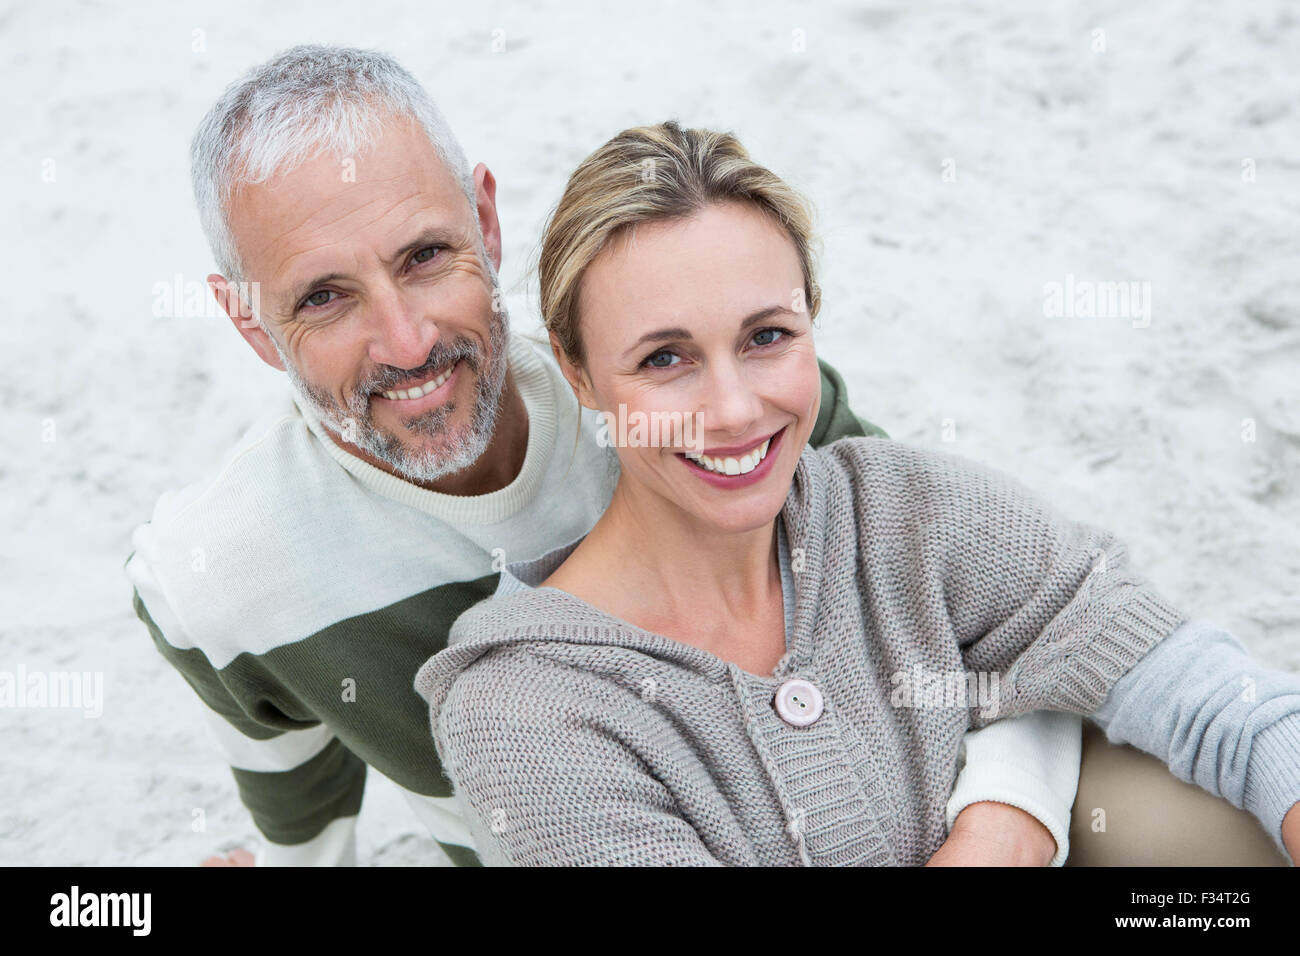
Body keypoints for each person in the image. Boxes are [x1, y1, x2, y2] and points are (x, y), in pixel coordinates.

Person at [125, 45, 1077, 866]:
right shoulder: (214, 573)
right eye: (325, 297)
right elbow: (284, 752)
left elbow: (995, 614)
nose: (407, 342)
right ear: (248, 320)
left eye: (424, 256)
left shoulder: (709, 409)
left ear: (488, 224)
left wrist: (1005, 826)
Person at [416, 120, 1300, 866]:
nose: (732, 409)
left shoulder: (904, 509)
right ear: (576, 373)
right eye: (665, 358)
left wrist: (1011, 810)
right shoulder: (527, 711)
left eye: (767, 336)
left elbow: (1217, 698)